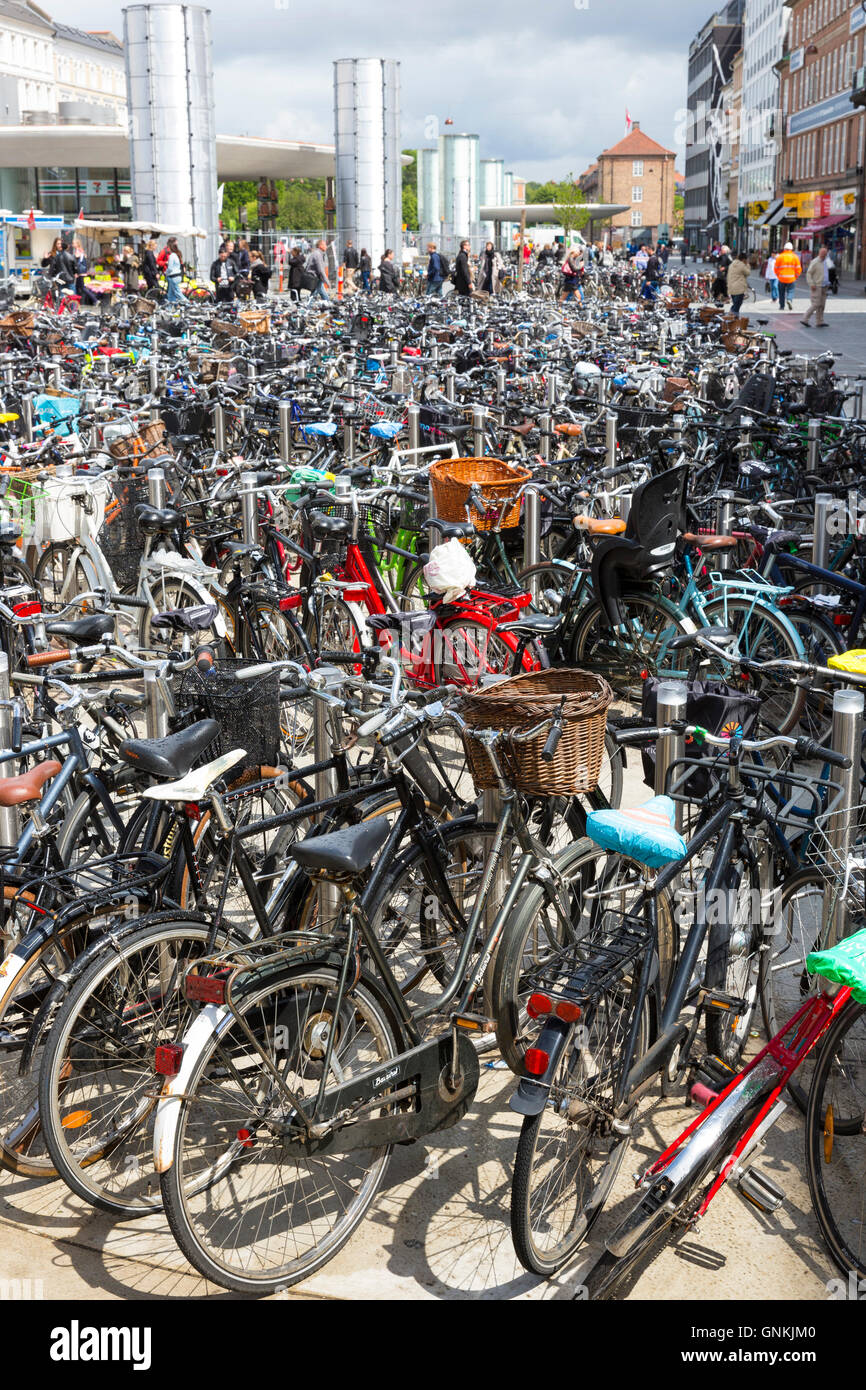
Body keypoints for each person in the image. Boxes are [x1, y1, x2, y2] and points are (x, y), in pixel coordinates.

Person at [802, 245, 830, 328]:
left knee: (822, 305)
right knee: (816, 304)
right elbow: (809, 273)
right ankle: (805, 319)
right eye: (822, 254)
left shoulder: (826, 261)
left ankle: (819, 321)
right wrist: (811, 284)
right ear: (819, 253)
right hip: (817, 285)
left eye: (825, 254)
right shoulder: (815, 262)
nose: (823, 255)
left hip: (825, 285)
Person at [774, 240, 801, 310]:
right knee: (791, 291)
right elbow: (798, 268)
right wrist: (796, 276)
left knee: (781, 293)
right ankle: (789, 299)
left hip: (782, 278)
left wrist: (778, 276)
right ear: (791, 249)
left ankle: (782, 306)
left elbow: (775, 268)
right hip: (791, 278)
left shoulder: (780, 257)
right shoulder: (795, 257)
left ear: (784, 248)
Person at [726, 251, 750, 315]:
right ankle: (733, 319)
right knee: (737, 306)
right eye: (746, 259)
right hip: (739, 289)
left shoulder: (731, 264)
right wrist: (747, 264)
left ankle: (732, 316)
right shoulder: (742, 265)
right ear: (744, 259)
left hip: (731, 288)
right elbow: (748, 273)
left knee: (735, 304)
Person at [165, 238, 184, 306]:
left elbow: (170, 268)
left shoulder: (171, 256)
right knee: (170, 294)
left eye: (168, 247)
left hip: (173, 276)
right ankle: (169, 309)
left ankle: (188, 305)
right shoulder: (176, 255)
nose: (167, 249)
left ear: (170, 248)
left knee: (178, 293)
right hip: (177, 276)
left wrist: (165, 273)